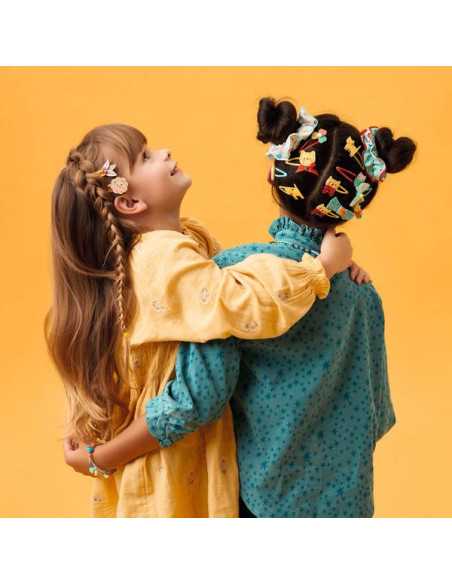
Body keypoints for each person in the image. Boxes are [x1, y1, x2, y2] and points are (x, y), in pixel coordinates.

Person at [68, 98, 417, 517]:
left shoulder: (231, 273)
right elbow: (377, 413)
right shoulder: (362, 292)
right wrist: (325, 267)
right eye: (145, 156)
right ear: (355, 199)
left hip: (261, 499)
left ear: (275, 174)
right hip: (348, 503)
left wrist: (103, 457)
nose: (163, 152)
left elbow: (199, 395)